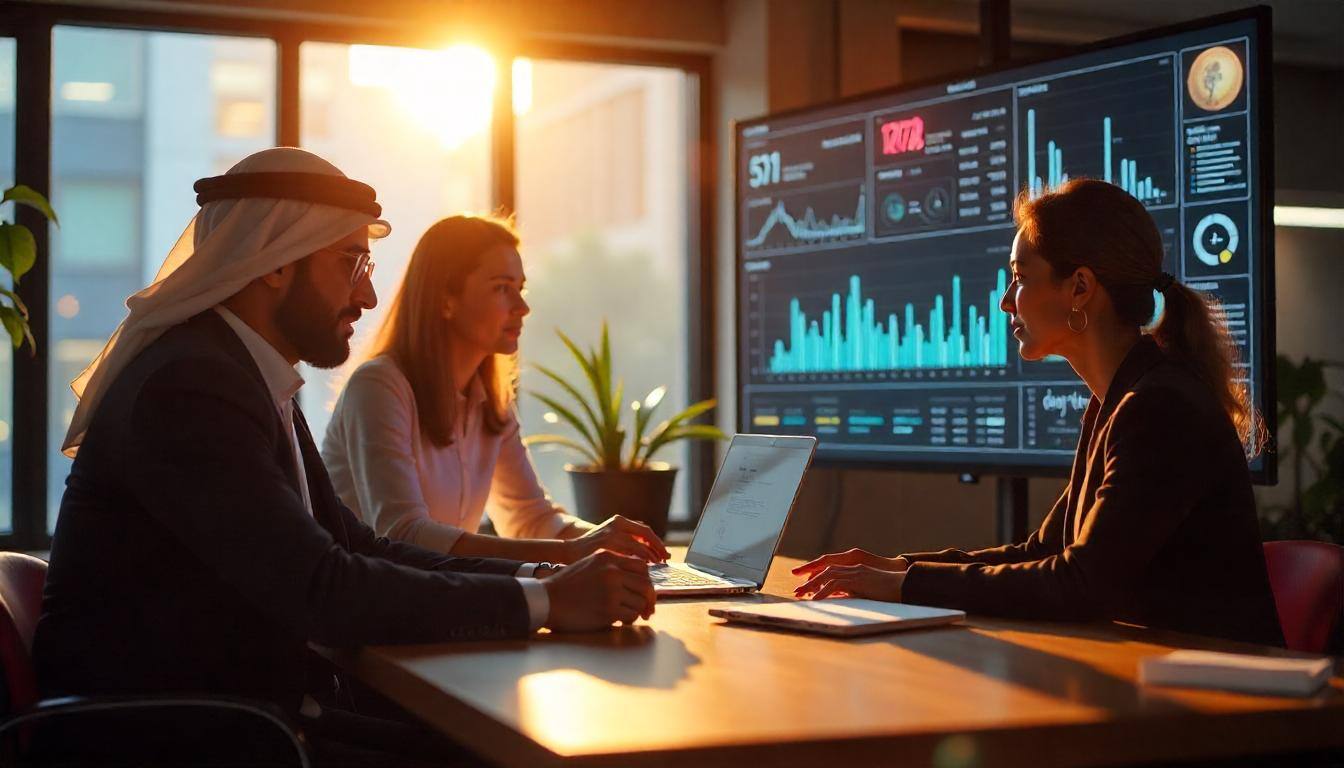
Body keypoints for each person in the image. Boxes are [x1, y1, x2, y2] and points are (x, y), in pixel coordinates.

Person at [33, 148, 655, 764]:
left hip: (241, 715)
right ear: (274, 263)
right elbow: (323, 589)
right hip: (181, 736)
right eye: (351, 263)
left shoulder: (243, 372)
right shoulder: (191, 387)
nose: (369, 296)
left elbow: (357, 546)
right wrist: (546, 603)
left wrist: (543, 579)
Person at [794, 178, 1283, 647]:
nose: (1007, 302)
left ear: (1080, 288)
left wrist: (905, 586)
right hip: (1161, 679)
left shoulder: (1159, 408)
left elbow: (1079, 582)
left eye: (1020, 278)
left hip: (1222, 707)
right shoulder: (1116, 403)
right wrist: (896, 568)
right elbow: (1043, 553)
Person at [321, 215, 668, 566]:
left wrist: (612, 540)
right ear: (446, 299)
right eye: (502, 288)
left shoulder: (489, 400)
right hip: (372, 611)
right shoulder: (379, 387)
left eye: (521, 288)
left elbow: (530, 518)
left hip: (435, 601)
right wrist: (569, 552)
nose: (523, 307)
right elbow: (404, 535)